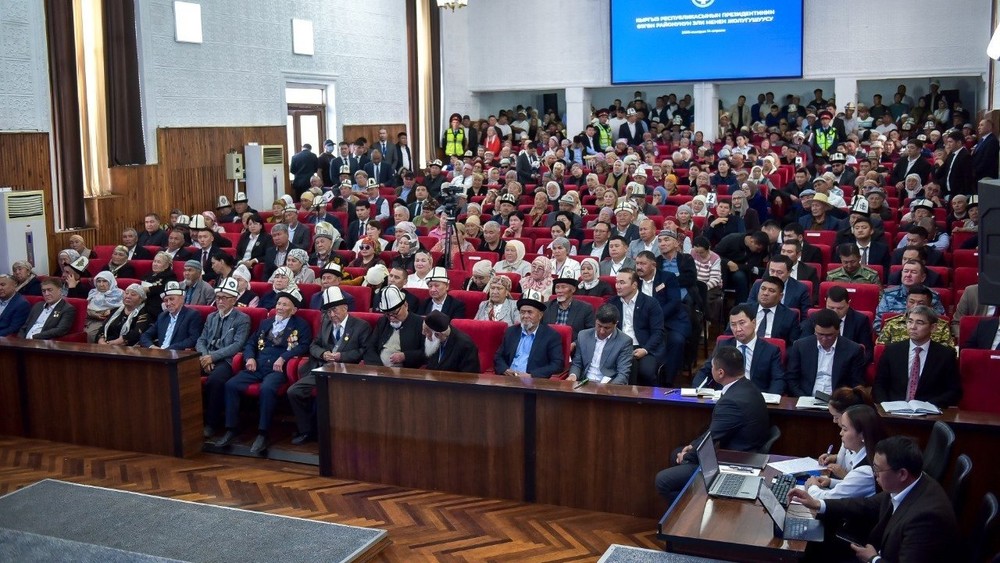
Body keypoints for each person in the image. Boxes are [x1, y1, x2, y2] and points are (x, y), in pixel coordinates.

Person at [788, 436, 958, 563]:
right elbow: (866, 504)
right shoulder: (909, 483)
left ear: (902, 474)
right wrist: (818, 504)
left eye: (877, 469)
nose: (874, 473)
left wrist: (873, 559)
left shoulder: (925, 518)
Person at [655, 346, 770, 504]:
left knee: (663, 480)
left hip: (735, 461)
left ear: (720, 373)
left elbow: (712, 438)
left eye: (712, 367)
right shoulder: (748, 387)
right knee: (676, 453)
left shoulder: (731, 402)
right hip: (741, 451)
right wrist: (692, 446)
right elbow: (715, 431)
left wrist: (688, 456)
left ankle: (691, 514)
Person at [216, 288, 311, 454]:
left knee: (267, 389)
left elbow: (304, 346)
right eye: (279, 304)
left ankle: (263, 433)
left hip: (278, 369)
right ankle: (231, 429)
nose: (280, 307)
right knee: (231, 385)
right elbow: (251, 343)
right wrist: (249, 358)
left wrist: (284, 357)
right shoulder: (266, 323)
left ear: (294, 310)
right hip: (258, 365)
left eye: (285, 305)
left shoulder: (301, 325)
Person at [289, 287, 372, 444]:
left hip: (347, 371)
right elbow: (314, 345)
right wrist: (323, 354)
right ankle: (307, 430)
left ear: (345, 308)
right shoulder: (326, 323)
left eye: (335, 310)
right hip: (323, 369)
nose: (332, 315)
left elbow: (364, 351)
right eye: (328, 312)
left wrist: (342, 356)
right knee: (294, 391)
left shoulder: (361, 326)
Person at [873, 305, 961, 408]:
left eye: (919, 323)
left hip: (929, 411)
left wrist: (928, 406)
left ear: (933, 328)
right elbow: (879, 385)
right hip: (894, 410)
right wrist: (886, 406)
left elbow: (954, 391)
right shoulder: (892, 350)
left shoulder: (945, 354)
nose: (913, 327)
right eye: (910, 321)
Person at [197, 277, 252, 439]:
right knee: (182, 373)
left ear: (234, 300)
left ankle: (211, 424)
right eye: (218, 297)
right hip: (206, 356)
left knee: (215, 381)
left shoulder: (242, 319)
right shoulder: (211, 317)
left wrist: (212, 357)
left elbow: (237, 345)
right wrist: (205, 356)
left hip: (226, 360)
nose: (220, 301)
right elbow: (201, 340)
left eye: (224, 298)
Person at [693, 304, 784, 394]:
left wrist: (769, 399)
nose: (738, 329)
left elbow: (778, 380)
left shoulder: (770, 350)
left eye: (742, 323)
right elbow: (705, 371)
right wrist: (699, 393)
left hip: (756, 398)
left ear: (754, 323)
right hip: (725, 397)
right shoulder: (723, 346)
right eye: (733, 325)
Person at [805, 404, 886, 501]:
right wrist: (831, 482)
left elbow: (827, 499)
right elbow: (854, 485)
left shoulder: (864, 472)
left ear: (862, 435)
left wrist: (812, 486)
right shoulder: (865, 455)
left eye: (845, 429)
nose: (841, 433)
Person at [785, 309, 867, 397]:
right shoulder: (800, 346)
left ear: (838, 331)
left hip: (838, 399)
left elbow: (856, 384)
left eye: (829, 335)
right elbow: (791, 378)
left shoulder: (853, 350)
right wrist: (802, 397)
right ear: (815, 330)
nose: (824, 339)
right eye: (820, 334)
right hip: (805, 397)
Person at [607, 270, 665, 386]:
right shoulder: (612, 303)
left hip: (644, 346)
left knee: (646, 373)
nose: (618, 286)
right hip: (619, 346)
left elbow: (658, 332)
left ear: (634, 285)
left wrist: (645, 350)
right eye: (617, 282)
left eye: (622, 283)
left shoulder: (650, 303)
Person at [493, 290, 564, 378]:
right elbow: (498, 357)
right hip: (508, 378)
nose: (525, 316)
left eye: (530, 312)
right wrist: (505, 369)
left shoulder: (551, 335)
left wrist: (532, 375)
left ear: (540, 315)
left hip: (533, 381)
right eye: (522, 312)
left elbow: (557, 364)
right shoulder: (511, 332)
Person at [801, 286, 876, 365]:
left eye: (840, 308)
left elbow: (868, 352)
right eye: (831, 308)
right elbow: (804, 346)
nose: (835, 312)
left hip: (848, 365)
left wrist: (853, 365)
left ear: (848, 303)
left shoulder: (860, 320)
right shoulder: (815, 318)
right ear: (825, 301)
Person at [567, 304, 632, 385]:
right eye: (599, 326)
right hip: (584, 383)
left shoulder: (624, 341)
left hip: (609, 386)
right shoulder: (583, 335)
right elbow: (577, 363)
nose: (602, 331)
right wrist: (573, 376)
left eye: (606, 328)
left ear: (616, 324)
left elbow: (623, 374)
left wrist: (607, 388)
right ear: (595, 321)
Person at [364, 286, 426, 368]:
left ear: (406, 305)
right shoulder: (383, 321)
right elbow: (370, 346)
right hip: (379, 368)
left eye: (395, 313)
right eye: (387, 314)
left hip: (405, 370)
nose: (391, 318)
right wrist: (377, 367)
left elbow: (426, 353)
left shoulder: (419, 323)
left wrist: (405, 356)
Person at [876, 285, 953, 346]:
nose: (915, 306)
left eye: (921, 303)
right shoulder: (892, 324)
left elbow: (948, 353)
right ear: (906, 303)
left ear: (929, 306)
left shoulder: (941, 326)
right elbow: (881, 350)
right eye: (911, 302)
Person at [139, 281, 203, 349]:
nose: (168, 303)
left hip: (177, 353)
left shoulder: (192, 315)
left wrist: (168, 349)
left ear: (182, 299)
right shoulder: (162, 316)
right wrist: (152, 347)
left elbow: (193, 339)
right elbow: (145, 335)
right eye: (166, 300)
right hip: (160, 352)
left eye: (171, 299)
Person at [541, 270, 594, 350]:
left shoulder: (585, 309)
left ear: (573, 289)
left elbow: (590, 333)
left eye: (563, 287)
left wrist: (575, 344)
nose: (559, 291)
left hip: (573, 350)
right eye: (557, 287)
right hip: (547, 348)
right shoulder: (546, 307)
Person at [85, 271, 124, 342]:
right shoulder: (93, 293)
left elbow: (124, 308)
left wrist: (111, 311)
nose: (101, 284)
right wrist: (91, 313)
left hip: (107, 320)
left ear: (111, 282)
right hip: (89, 318)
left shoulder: (120, 294)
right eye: (98, 281)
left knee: (89, 334)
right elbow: (86, 308)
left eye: (105, 281)